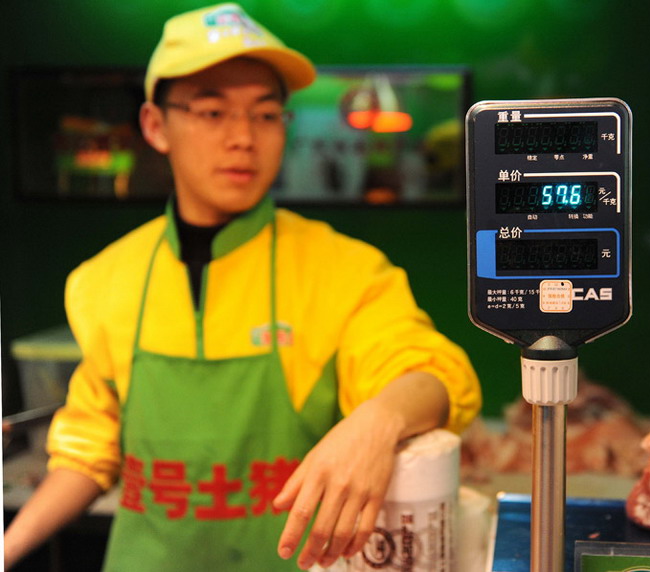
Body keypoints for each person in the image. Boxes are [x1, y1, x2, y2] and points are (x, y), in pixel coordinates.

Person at [2, 4, 481, 570]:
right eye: (211, 112)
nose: (243, 138)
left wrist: (380, 420)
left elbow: (430, 372)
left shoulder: (342, 268)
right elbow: (90, 442)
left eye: (266, 114)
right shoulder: (104, 279)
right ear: (156, 126)